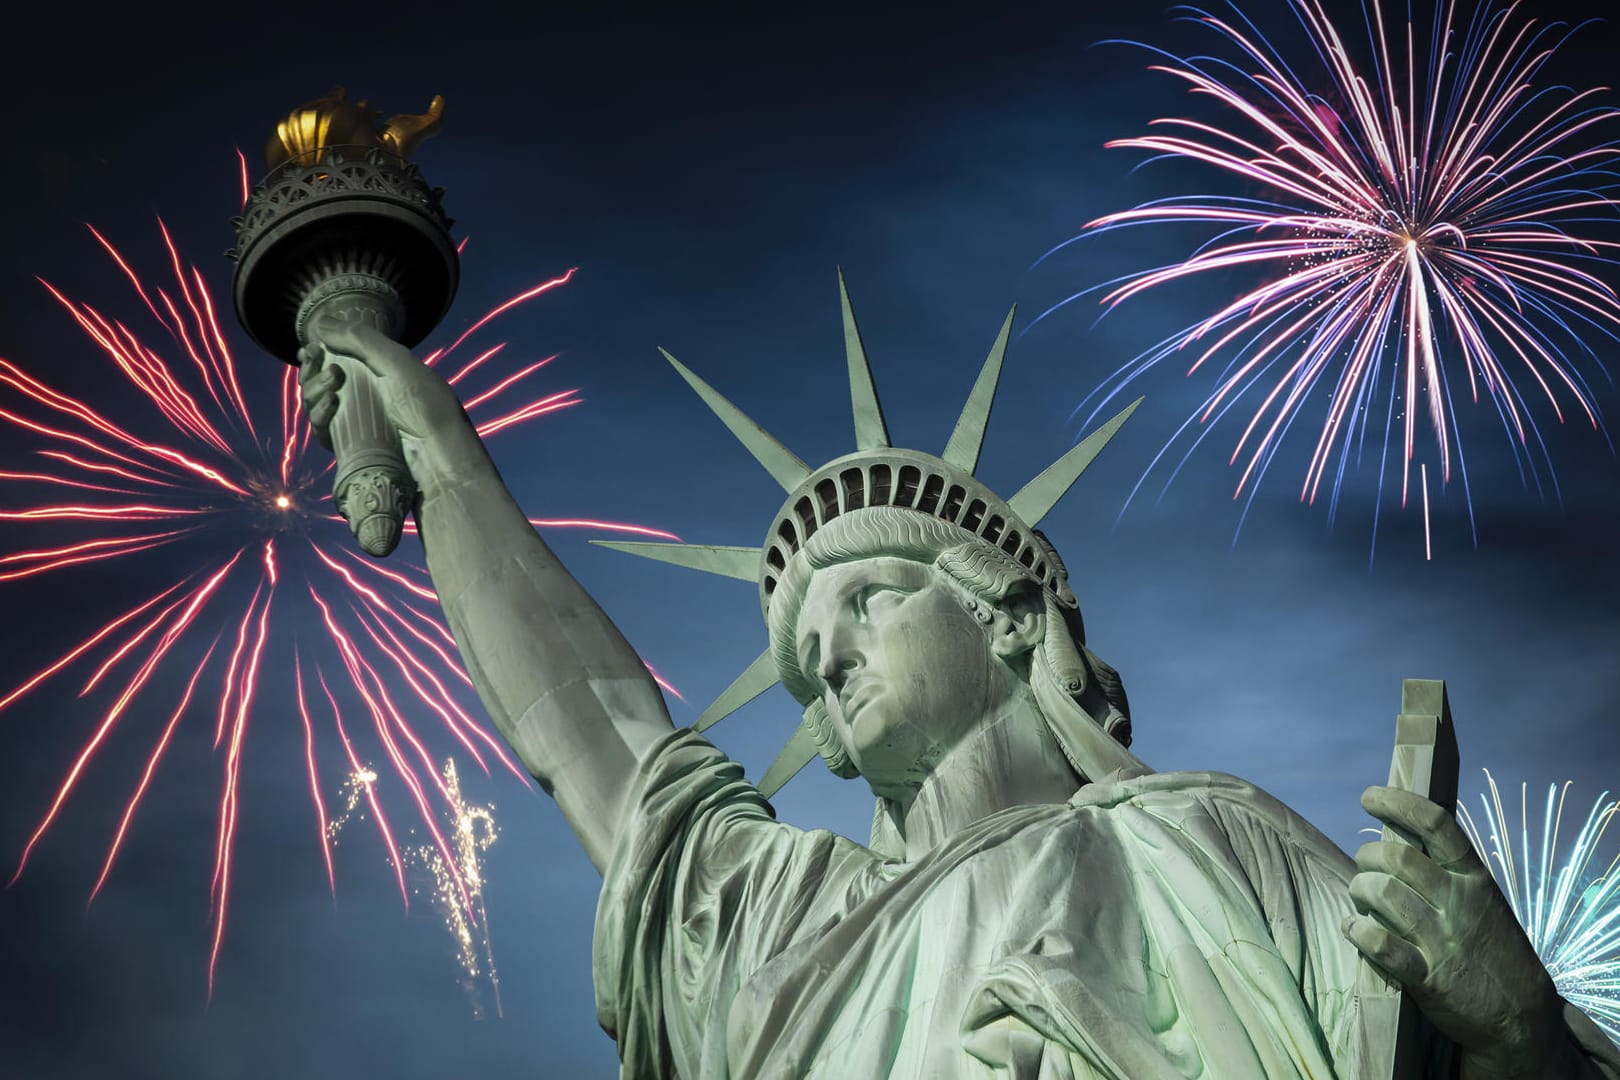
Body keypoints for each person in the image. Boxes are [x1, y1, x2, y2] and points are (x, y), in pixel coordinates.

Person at [298, 299, 1620, 1078]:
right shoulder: (783, 927)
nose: (823, 654)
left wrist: (1516, 1033)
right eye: (807, 641)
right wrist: (441, 455)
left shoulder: (1213, 841)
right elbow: (592, 735)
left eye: (864, 598)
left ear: (1004, 610)